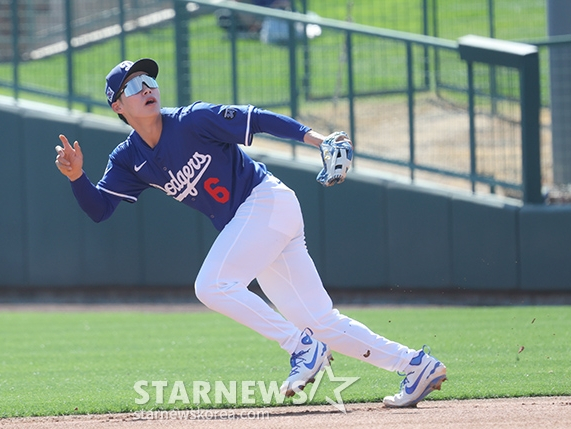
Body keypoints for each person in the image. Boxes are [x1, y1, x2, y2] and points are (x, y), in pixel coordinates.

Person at [54, 58, 447, 408]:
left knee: (211, 285)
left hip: (266, 202)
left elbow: (256, 118)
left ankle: (300, 346)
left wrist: (318, 139)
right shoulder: (129, 159)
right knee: (321, 321)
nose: (147, 89)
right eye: (135, 86)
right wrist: (76, 177)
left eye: (150, 82)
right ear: (118, 106)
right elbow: (100, 209)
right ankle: (416, 365)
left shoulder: (192, 120)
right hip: (259, 223)